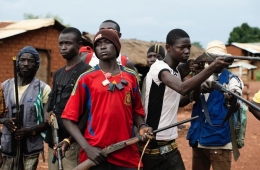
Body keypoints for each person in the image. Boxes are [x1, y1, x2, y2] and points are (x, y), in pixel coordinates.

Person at [140, 30, 232, 170]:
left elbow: (187, 98)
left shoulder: (175, 71)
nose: (186, 51)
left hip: (170, 145)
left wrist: (197, 73)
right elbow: (182, 88)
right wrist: (212, 67)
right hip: (152, 145)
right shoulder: (158, 68)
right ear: (168, 48)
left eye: (188, 47)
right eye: (181, 47)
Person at [61, 29, 152, 170]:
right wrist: (87, 148)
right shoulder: (86, 78)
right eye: (98, 44)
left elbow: (136, 112)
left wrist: (142, 127)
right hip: (96, 154)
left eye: (107, 42)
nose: (102, 46)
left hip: (127, 154)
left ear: (116, 46)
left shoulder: (131, 77)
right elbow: (68, 118)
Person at [187, 40, 244, 170]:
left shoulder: (233, 79)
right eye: (212, 57)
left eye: (219, 57)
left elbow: (236, 101)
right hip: (198, 140)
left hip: (220, 142)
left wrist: (231, 98)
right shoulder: (199, 77)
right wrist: (198, 85)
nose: (216, 61)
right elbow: (190, 97)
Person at [44, 27, 92, 170]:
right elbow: (51, 100)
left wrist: (71, 139)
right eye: (61, 44)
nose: (63, 47)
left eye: (68, 43)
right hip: (54, 138)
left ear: (79, 45)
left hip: (73, 142)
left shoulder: (87, 72)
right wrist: (46, 113)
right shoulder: (58, 73)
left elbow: (88, 112)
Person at [0, 46, 51, 170]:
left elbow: (47, 121)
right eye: (22, 60)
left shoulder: (43, 89)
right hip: (7, 147)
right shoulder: (4, 86)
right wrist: (3, 121)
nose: (26, 64)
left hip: (30, 148)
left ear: (36, 64)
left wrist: (29, 130)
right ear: (17, 62)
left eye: (31, 61)